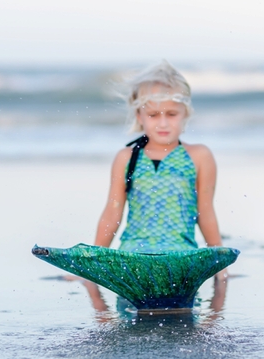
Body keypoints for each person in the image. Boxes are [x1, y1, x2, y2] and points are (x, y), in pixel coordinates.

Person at [70, 60, 228, 317]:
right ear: (139, 116)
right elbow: (112, 212)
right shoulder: (127, 157)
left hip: (181, 256)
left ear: (185, 113)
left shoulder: (199, 156)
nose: (163, 123)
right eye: (153, 115)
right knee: (134, 313)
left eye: (172, 114)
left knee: (182, 317)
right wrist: (92, 266)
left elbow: (205, 211)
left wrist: (219, 263)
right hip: (133, 257)